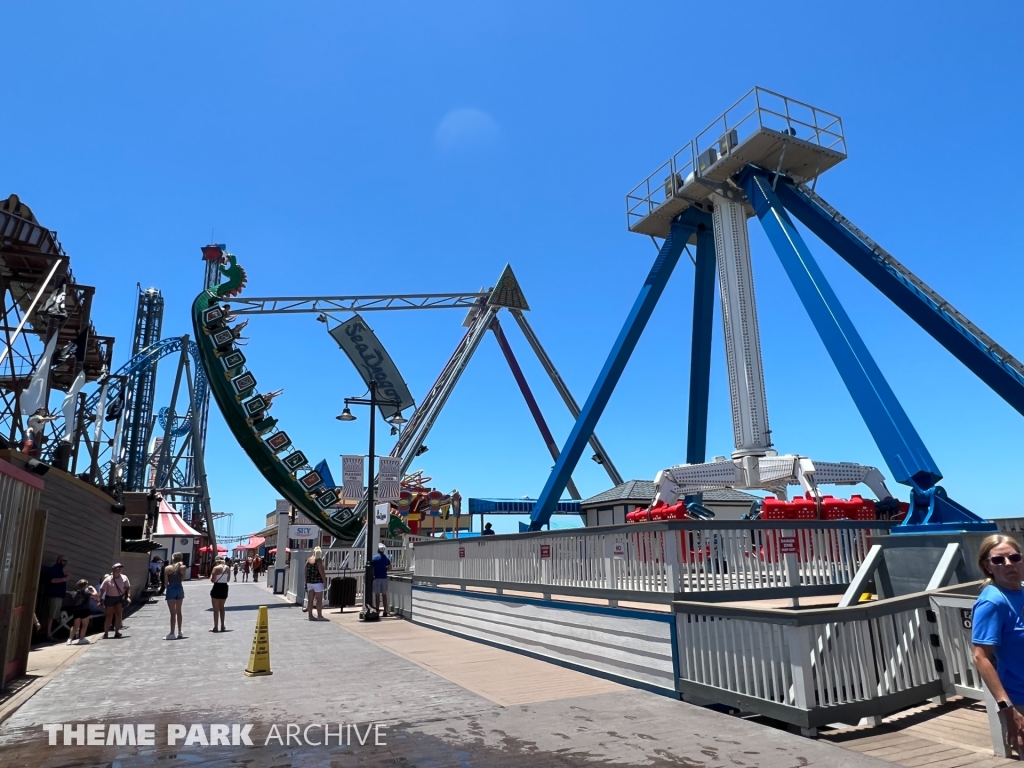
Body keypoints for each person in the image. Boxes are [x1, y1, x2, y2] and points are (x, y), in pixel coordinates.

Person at [972, 534, 1024, 758]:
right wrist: (1008, 709)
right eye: (999, 560)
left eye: (1014, 557)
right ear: (987, 566)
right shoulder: (992, 602)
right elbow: (980, 657)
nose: (1009, 564)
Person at [100, 564, 130, 639]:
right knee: (109, 616)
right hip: (110, 598)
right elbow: (102, 589)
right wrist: (100, 599)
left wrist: (128, 596)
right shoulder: (108, 579)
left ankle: (117, 632)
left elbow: (127, 588)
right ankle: (106, 632)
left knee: (118, 615)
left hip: (119, 598)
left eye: (120, 568)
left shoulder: (124, 577)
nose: (119, 569)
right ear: (113, 570)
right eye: (117, 568)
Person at [46, 555, 70, 640]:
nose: (65, 563)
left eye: (66, 561)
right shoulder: (55, 569)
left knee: (54, 615)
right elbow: (52, 580)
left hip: (59, 595)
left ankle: (51, 633)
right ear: (59, 560)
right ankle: (48, 634)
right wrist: (64, 579)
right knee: (51, 615)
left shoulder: (60, 570)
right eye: (64, 561)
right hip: (54, 595)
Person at [164, 552, 187, 640]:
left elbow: (166, 583)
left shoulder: (167, 568)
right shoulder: (183, 567)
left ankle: (172, 633)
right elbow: (182, 579)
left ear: (173, 558)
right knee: (179, 611)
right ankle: (180, 631)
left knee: (172, 613)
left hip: (171, 588)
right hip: (179, 587)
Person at [67, 579, 97, 645]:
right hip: (85, 609)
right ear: (86, 585)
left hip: (76, 610)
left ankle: (70, 639)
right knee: (84, 625)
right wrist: (93, 588)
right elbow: (96, 595)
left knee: (75, 625)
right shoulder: (86, 592)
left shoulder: (75, 593)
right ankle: (81, 638)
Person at [303, 548, 327, 620]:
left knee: (310, 600)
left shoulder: (309, 560)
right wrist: (325, 582)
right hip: (318, 582)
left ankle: (310, 616)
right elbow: (322, 572)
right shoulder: (319, 561)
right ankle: (319, 616)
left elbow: (305, 571)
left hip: (310, 582)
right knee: (319, 599)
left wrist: (306, 581)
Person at [209, 556, 230, 632]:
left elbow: (213, 580)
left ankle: (215, 627)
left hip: (217, 587)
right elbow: (228, 579)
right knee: (222, 607)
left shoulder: (216, 568)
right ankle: (223, 625)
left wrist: (211, 576)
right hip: (224, 587)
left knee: (215, 609)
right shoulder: (227, 568)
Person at [371, 543, 391, 616]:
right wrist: (385, 569)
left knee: (377, 595)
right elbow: (390, 567)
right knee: (384, 595)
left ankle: (377, 610)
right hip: (384, 578)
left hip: (376, 578)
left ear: (378, 550)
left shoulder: (374, 558)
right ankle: (385, 611)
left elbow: (371, 567)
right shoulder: (386, 558)